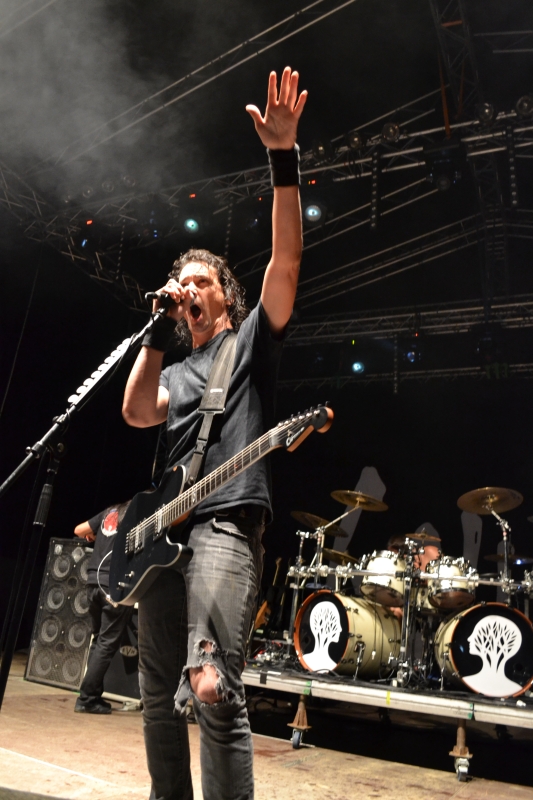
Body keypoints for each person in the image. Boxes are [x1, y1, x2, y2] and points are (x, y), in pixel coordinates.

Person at [122, 67, 307, 800]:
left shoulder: (250, 341)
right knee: (155, 693)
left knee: (209, 686)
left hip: (227, 525)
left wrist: (283, 158)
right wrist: (155, 332)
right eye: (183, 284)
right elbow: (138, 412)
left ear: (224, 297)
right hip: (164, 535)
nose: (189, 290)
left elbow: (286, 262)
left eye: (201, 282)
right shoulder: (175, 367)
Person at [73, 502, 133, 714]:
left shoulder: (110, 511)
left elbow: (79, 530)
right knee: (106, 643)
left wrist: (95, 536)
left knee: (98, 640)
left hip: (93, 581)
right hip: (114, 583)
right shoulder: (138, 511)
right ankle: (87, 698)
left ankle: (94, 695)